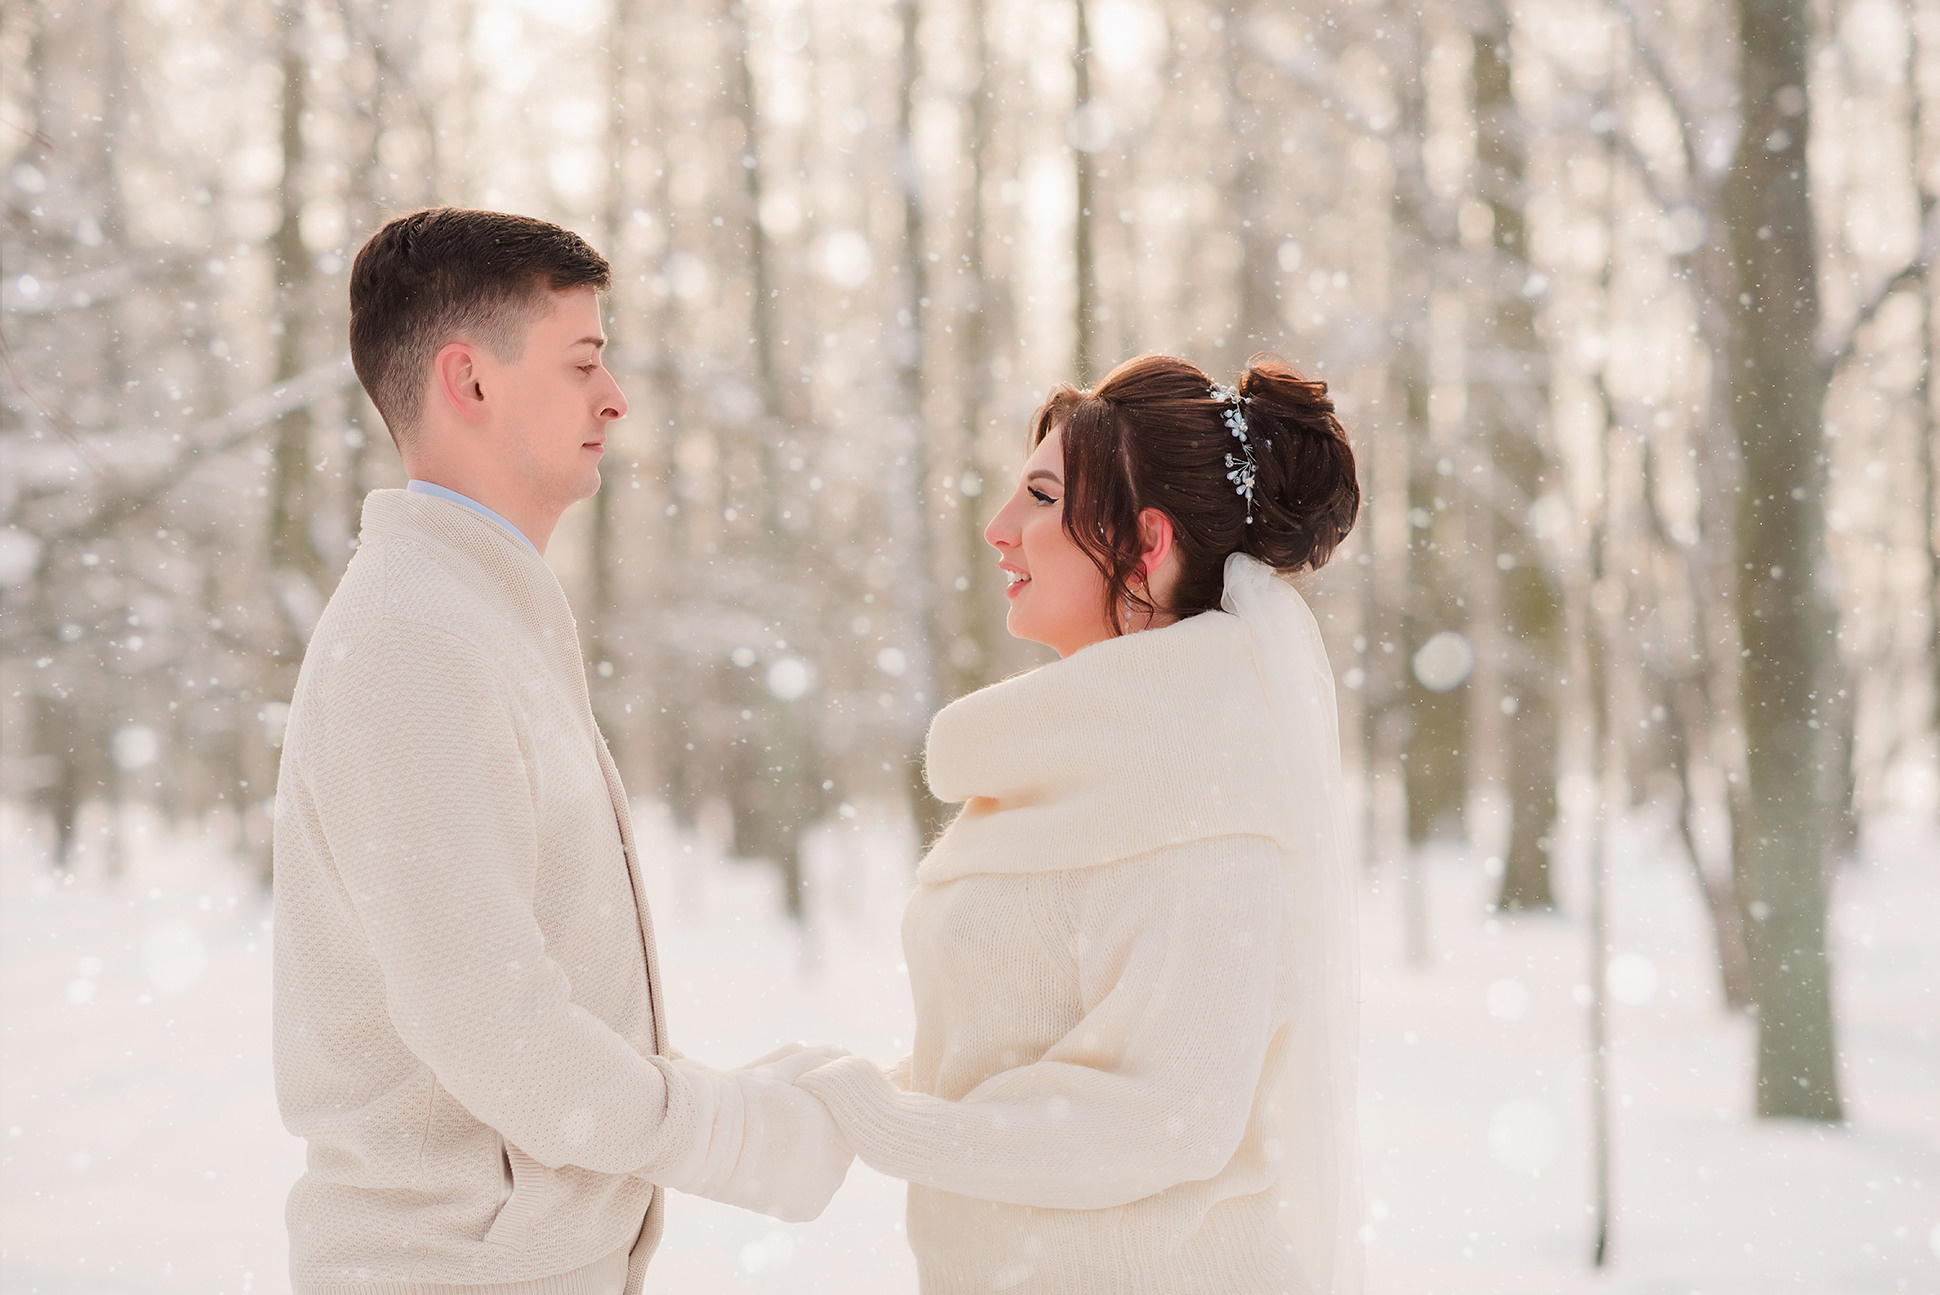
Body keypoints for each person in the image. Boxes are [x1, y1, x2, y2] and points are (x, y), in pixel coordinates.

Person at [272, 207, 850, 1295]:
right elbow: (500, 1032)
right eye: (582, 361)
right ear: (470, 381)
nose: (615, 396)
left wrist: (751, 1098)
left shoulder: (474, 619)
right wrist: (741, 1134)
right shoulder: (416, 640)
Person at [797, 353, 1366, 1294]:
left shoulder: (1202, 795)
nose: (999, 527)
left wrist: (886, 1123)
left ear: (1144, 543)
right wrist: (830, 1104)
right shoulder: (1072, 771)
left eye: (1040, 496)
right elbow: (1017, 1052)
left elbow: (1166, 1117)